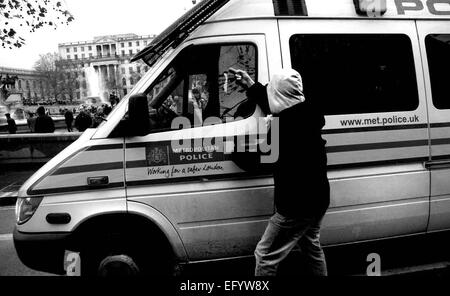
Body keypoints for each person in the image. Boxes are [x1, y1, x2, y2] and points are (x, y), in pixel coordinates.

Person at [230, 67, 330, 276]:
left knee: (265, 255)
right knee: (311, 246)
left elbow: (257, 160)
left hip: (296, 205)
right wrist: (251, 84)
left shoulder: (284, 127)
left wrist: (232, 149)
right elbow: (278, 100)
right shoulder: (307, 111)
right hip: (318, 198)